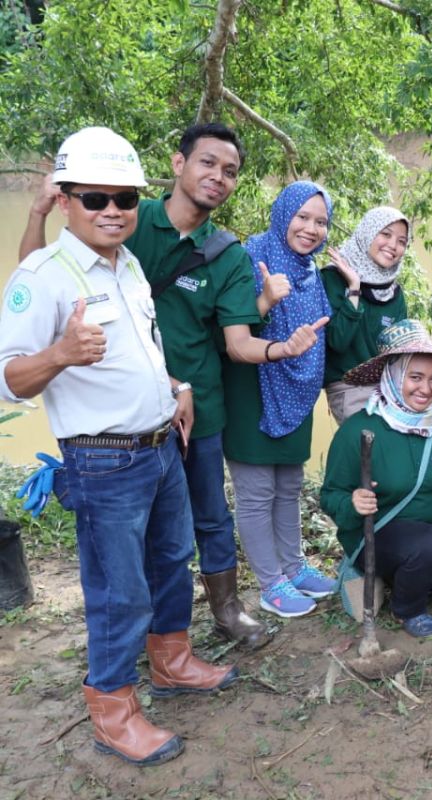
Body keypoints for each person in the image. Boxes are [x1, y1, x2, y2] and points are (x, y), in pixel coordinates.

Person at [17, 123, 322, 649]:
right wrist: (41, 212)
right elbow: (42, 275)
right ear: (179, 165)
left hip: (197, 401)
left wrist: (280, 347)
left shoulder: (229, 254)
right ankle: (146, 634)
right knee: (134, 528)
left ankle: (226, 611)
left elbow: (237, 341)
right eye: (207, 163)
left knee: (208, 515)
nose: (217, 177)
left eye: (229, 172)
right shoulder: (130, 217)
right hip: (120, 410)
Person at [0, 127, 235, 765]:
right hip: (104, 460)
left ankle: (173, 660)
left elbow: (139, 350)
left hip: (160, 446)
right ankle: (113, 708)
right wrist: (59, 353)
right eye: (96, 197)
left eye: (125, 199)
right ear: (67, 200)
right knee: (117, 589)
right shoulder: (42, 276)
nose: (112, 211)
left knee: (170, 561)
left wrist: (175, 385)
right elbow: (9, 378)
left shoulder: (127, 264)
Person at [319, 320, 432, 638]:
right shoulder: (359, 429)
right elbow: (330, 494)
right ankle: (408, 609)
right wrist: (352, 501)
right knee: (429, 546)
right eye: (414, 377)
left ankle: (407, 575)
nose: (425, 389)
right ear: (392, 374)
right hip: (374, 531)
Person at [222, 181, 334, 618]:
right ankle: (271, 584)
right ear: (282, 213)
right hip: (254, 386)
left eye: (320, 221)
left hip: (297, 385)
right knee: (256, 491)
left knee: (289, 486)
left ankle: (294, 567)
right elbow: (230, 331)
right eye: (302, 216)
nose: (310, 228)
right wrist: (265, 300)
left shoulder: (309, 270)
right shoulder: (249, 258)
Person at [322, 206, 412, 424]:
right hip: (349, 389)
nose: (393, 245)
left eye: (402, 241)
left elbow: (398, 353)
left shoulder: (394, 293)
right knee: (370, 453)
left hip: (389, 390)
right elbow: (337, 341)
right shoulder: (333, 278)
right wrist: (354, 289)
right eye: (386, 234)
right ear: (368, 233)